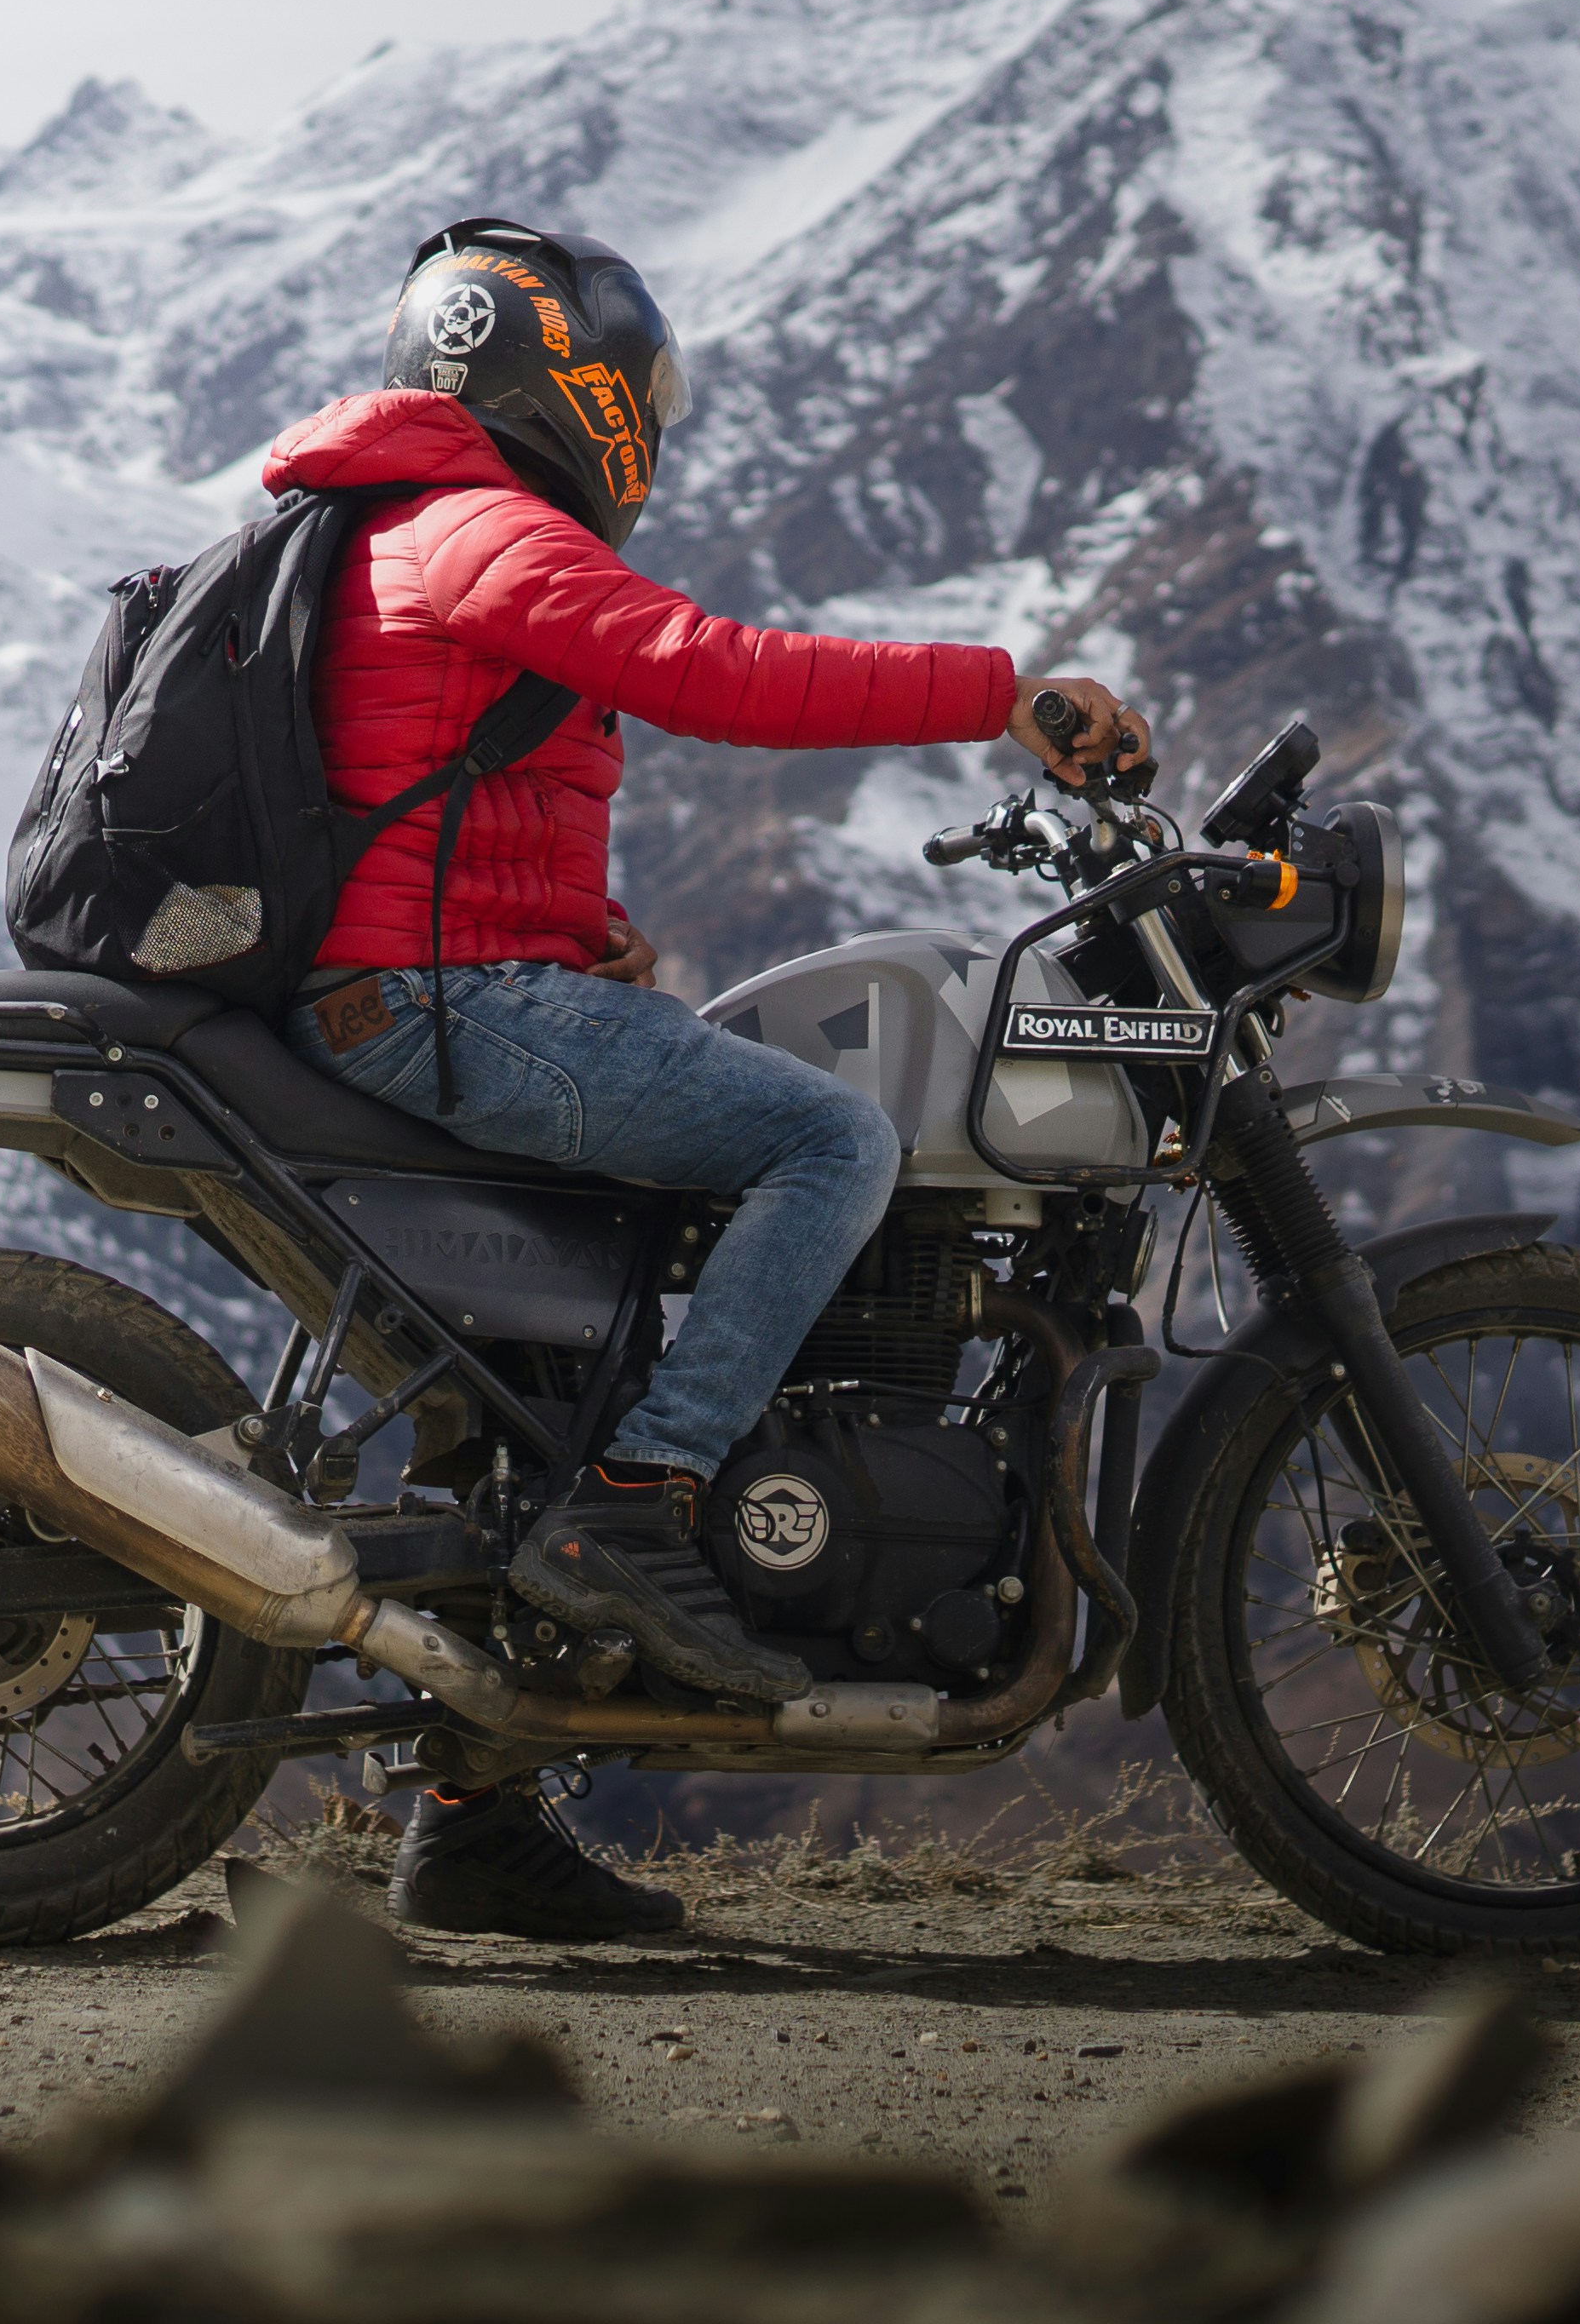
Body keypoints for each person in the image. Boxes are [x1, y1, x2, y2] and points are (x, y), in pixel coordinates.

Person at [260, 215, 1150, 1938]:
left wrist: (584, 930)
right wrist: (1000, 692)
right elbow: (702, 670)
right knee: (829, 1136)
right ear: (555, 379)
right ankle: (641, 1501)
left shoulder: (417, 521)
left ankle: (476, 1814)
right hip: (431, 1001)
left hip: (446, 979)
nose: (647, 426)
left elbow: (443, 783)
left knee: (561, 1344)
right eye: (635, 390)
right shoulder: (474, 523)